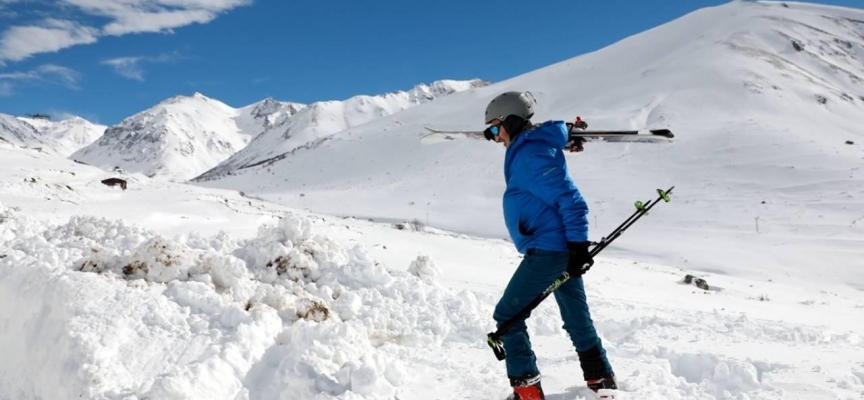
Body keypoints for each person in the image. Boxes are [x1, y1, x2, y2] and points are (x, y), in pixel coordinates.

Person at [484, 91, 617, 400]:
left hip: (549, 250)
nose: (495, 137)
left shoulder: (530, 155)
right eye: (490, 132)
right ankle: (600, 379)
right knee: (576, 316)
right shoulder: (533, 146)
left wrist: (579, 246)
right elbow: (544, 137)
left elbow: (571, 201)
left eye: (495, 129)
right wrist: (565, 136)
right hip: (560, 248)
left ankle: (527, 391)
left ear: (511, 122)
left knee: (508, 316)